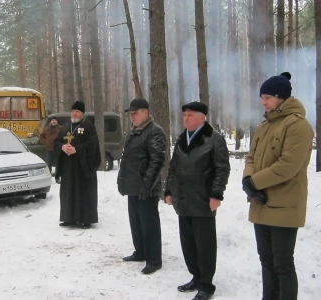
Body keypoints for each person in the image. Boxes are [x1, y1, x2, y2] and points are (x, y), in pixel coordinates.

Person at [242, 72, 314, 300]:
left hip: (284, 205)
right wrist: (248, 180)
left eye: (267, 97)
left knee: (282, 263)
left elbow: (288, 165)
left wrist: (254, 182)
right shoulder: (264, 126)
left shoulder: (298, 126)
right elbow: (251, 157)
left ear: (281, 97)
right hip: (260, 203)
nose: (263, 102)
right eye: (262, 97)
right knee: (266, 262)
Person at [164, 102, 230, 300]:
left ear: (202, 118)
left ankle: (206, 284)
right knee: (188, 242)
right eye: (184, 115)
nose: (185, 118)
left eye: (190, 115)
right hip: (183, 199)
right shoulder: (181, 139)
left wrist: (216, 194)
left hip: (202, 200)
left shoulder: (214, 139)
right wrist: (169, 190)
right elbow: (173, 167)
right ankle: (195, 276)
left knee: (205, 244)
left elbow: (222, 168)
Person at [117, 98, 166, 275]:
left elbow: (157, 160)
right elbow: (127, 159)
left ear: (146, 112)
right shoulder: (134, 132)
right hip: (133, 186)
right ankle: (141, 251)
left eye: (135, 113)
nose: (132, 117)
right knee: (136, 222)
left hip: (146, 188)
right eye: (131, 114)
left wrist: (147, 185)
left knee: (149, 224)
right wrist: (122, 180)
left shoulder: (154, 132)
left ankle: (154, 259)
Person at [53, 101, 101, 229]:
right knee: (68, 192)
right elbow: (56, 142)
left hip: (83, 167)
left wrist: (77, 150)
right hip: (68, 167)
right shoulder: (64, 127)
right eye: (73, 111)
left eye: (77, 111)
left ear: (82, 114)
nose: (74, 113)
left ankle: (86, 219)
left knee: (84, 192)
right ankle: (68, 218)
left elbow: (92, 146)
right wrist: (63, 147)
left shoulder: (89, 127)